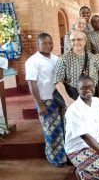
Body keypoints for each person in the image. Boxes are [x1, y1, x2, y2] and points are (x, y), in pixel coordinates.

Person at [25, 33, 67, 167]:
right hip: (45, 100)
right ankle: (55, 158)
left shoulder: (56, 58)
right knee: (51, 131)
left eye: (50, 43)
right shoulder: (33, 61)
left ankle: (64, 155)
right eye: (44, 43)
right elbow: (31, 84)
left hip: (59, 99)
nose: (48, 45)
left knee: (62, 129)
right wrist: (40, 104)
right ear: (38, 45)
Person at [55, 30, 98, 107]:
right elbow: (57, 81)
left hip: (88, 97)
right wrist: (67, 99)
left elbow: (95, 80)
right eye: (73, 40)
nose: (76, 42)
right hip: (71, 98)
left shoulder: (92, 58)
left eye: (79, 39)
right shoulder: (64, 58)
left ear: (85, 41)